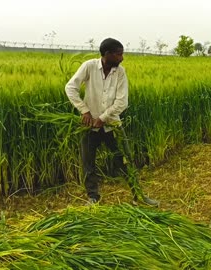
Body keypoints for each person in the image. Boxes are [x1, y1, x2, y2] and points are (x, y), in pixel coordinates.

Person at [65, 38, 158, 206]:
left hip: (112, 125)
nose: (122, 58)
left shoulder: (120, 72)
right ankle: (93, 198)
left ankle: (138, 196)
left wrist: (102, 118)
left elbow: (122, 102)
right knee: (88, 163)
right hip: (89, 126)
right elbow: (70, 87)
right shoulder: (89, 66)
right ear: (107, 54)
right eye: (119, 54)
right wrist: (84, 110)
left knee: (125, 161)